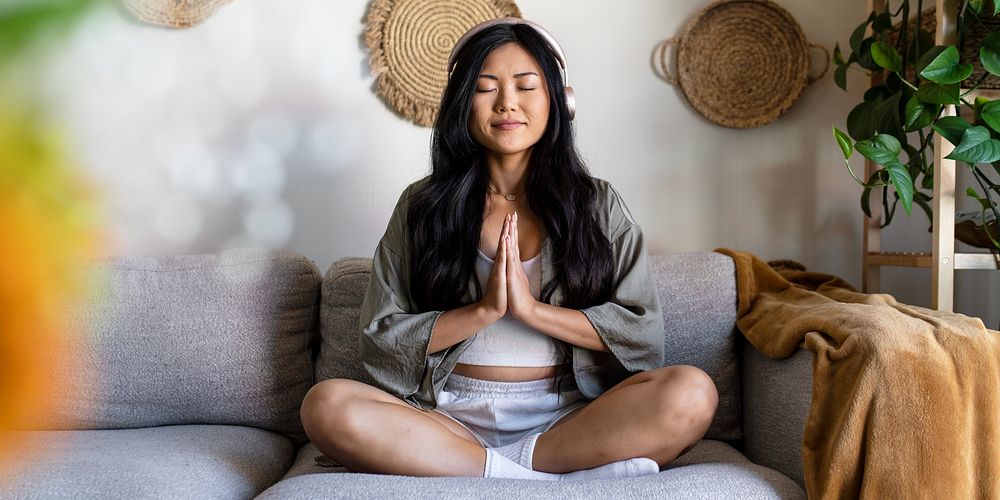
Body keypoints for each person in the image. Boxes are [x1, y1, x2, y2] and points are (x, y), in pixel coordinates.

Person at [300, 18, 718, 481]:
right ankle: (534, 477)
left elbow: (644, 335)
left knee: (693, 392)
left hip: (568, 419)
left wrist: (532, 311)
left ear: (559, 100)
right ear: (463, 104)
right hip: (447, 422)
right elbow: (380, 337)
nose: (507, 104)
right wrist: (483, 312)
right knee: (326, 404)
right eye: (485, 87)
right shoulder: (422, 205)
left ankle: (490, 472)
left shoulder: (597, 204)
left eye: (525, 86)